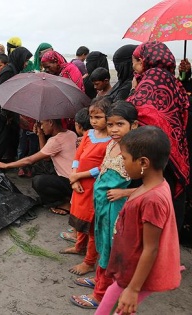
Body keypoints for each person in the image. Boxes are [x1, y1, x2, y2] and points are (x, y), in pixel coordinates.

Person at [95, 126, 181, 315]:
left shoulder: (153, 200)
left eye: (124, 158)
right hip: (129, 269)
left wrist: (133, 289)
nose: (122, 163)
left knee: (109, 310)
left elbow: (151, 248)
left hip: (135, 275)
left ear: (143, 162)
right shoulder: (153, 185)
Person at [69, 101, 138, 310]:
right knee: (100, 243)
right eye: (110, 125)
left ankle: (99, 295)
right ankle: (100, 281)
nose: (114, 129)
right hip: (101, 204)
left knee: (110, 248)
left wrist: (124, 191)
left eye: (120, 124)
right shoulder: (112, 144)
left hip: (115, 208)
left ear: (133, 125)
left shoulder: (136, 150)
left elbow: (155, 185)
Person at [127, 41, 190, 235]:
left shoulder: (146, 84)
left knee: (148, 207)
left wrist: (132, 90)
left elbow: (130, 114)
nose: (132, 66)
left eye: (134, 62)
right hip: (175, 154)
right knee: (170, 199)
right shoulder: (175, 83)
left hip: (148, 157)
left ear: (143, 61)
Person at [61, 98, 111, 277]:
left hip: (93, 186)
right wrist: (74, 177)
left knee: (91, 224)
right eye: (91, 117)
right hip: (79, 183)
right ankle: (79, 246)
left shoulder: (112, 141)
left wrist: (79, 175)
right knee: (78, 215)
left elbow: (103, 167)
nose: (94, 121)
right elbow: (78, 156)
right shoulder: (89, 135)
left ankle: (89, 261)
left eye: (98, 117)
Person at [0, 119, 77, 212]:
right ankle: (66, 197)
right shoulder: (71, 133)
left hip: (71, 182)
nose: (41, 127)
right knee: (41, 166)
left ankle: (64, 203)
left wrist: (5, 165)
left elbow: (30, 160)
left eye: (42, 124)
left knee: (38, 181)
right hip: (75, 178)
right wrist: (40, 134)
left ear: (51, 123)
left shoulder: (56, 141)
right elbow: (46, 157)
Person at [0, 48, 33, 168]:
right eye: (25, 60)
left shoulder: (12, 70)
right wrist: (10, 116)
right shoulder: (9, 71)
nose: (26, 63)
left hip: (1, 111)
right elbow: (2, 95)